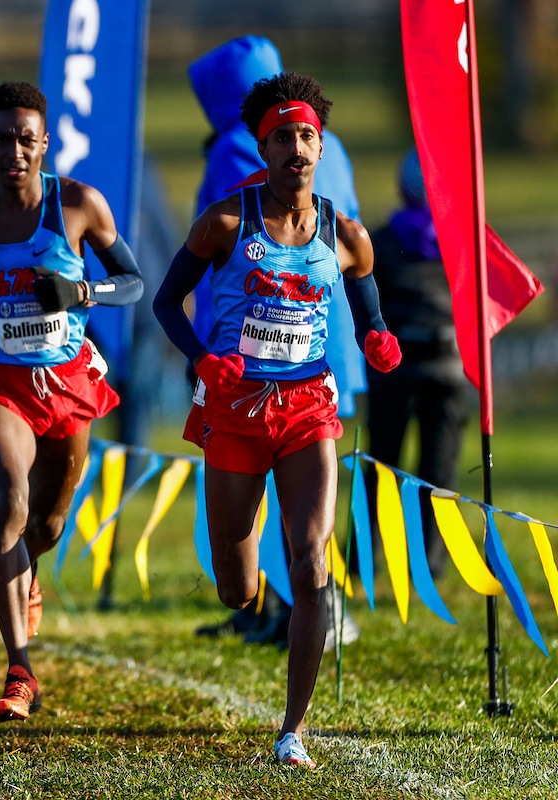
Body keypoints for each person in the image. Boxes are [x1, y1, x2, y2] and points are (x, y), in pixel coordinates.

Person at [153, 73, 402, 768]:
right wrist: (203, 361)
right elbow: (167, 304)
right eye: (283, 137)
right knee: (238, 586)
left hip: (307, 412)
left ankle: (293, 729)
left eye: (307, 136)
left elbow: (366, 297)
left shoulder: (345, 234)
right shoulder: (224, 222)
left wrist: (376, 335)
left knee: (312, 557)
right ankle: (249, 554)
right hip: (234, 412)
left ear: (320, 147)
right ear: (261, 146)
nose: (296, 147)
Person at [0, 81, 143, 724]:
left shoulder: (78, 203)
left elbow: (133, 284)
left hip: (67, 380)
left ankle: (26, 572)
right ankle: (20, 670)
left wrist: (83, 293)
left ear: (44, 143)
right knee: (9, 502)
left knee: (48, 524)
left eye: (25, 139)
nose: (12, 151)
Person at [188, 36, 364, 647]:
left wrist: (209, 349)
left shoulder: (240, 152)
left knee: (284, 501)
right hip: (331, 343)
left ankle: (302, 611)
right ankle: (279, 607)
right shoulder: (326, 143)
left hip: (257, 360)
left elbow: (232, 266)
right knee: (308, 503)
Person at [366, 148, 469, 577]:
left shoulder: (382, 241)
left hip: (395, 369)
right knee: (438, 470)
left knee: (381, 467)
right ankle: (430, 563)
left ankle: (363, 557)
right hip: (450, 367)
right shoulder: (462, 239)